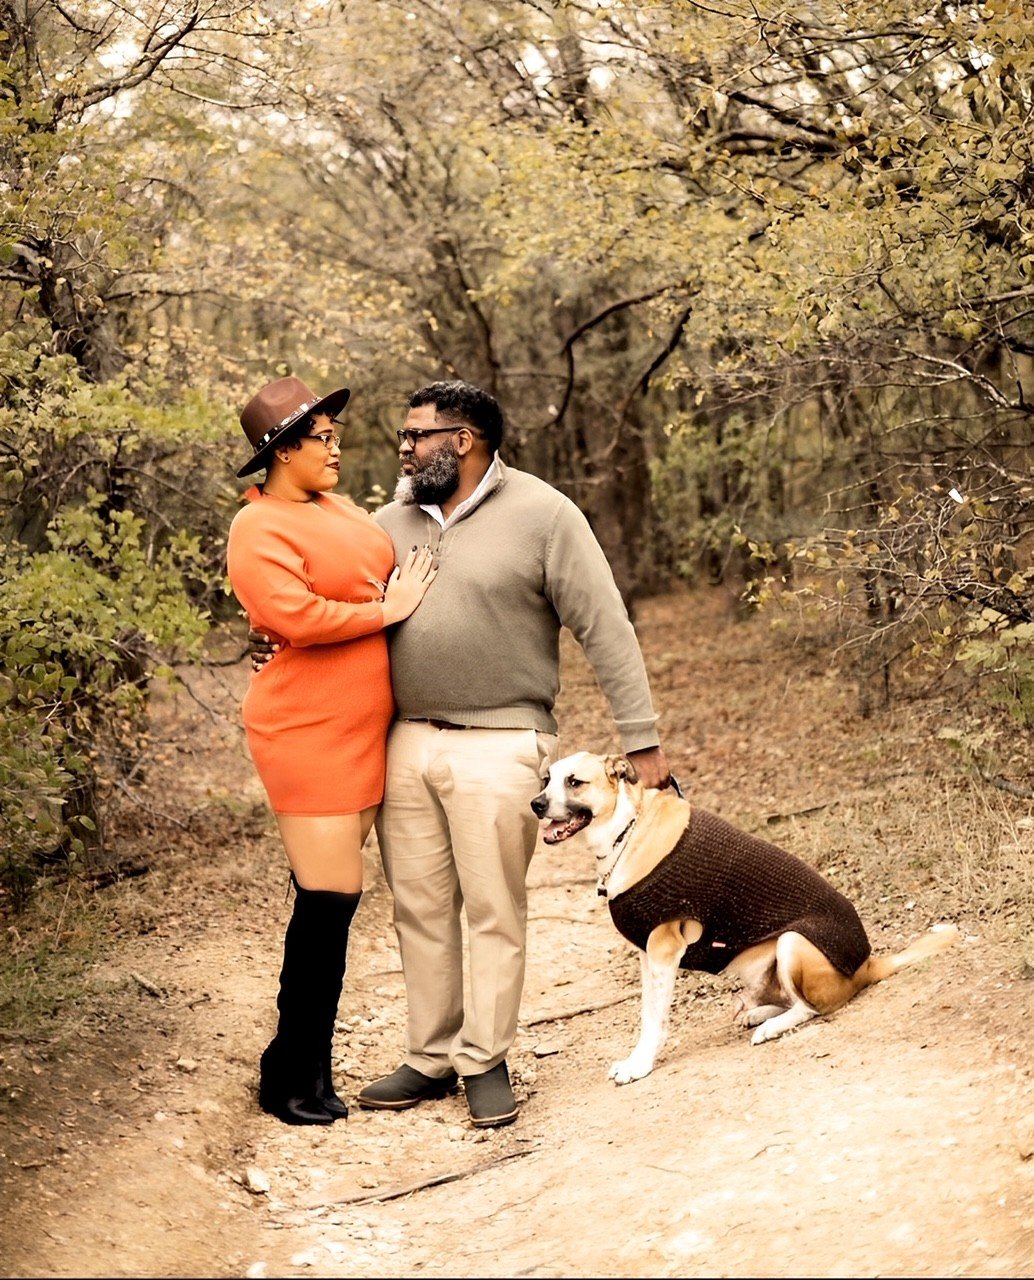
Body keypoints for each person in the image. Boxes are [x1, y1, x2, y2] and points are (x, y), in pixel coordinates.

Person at [252, 379, 669, 1129]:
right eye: (405, 437)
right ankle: (430, 1056)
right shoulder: (384, 523)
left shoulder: (544, 515)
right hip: (403, 739)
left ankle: (485, 1060)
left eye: (417, 436)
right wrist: (275, 647)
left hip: (503, 741)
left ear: (464, 441)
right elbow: (327, 601)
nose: (403, 449)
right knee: (418, 908)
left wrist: (642, 741)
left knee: (492, 908)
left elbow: (606, 627)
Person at [226, 374, 436, 1127]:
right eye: (322, 438)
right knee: (329, 903)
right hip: (306, 729)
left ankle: (302, 1066)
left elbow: (372, 569)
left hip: (364, 727)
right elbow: (295, 614)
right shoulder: (257, 527)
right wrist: (387, 608)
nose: (336, 447)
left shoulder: (341, 508)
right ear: (282, 451)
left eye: (336, 435)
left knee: (332, 899)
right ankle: (290, 1075)